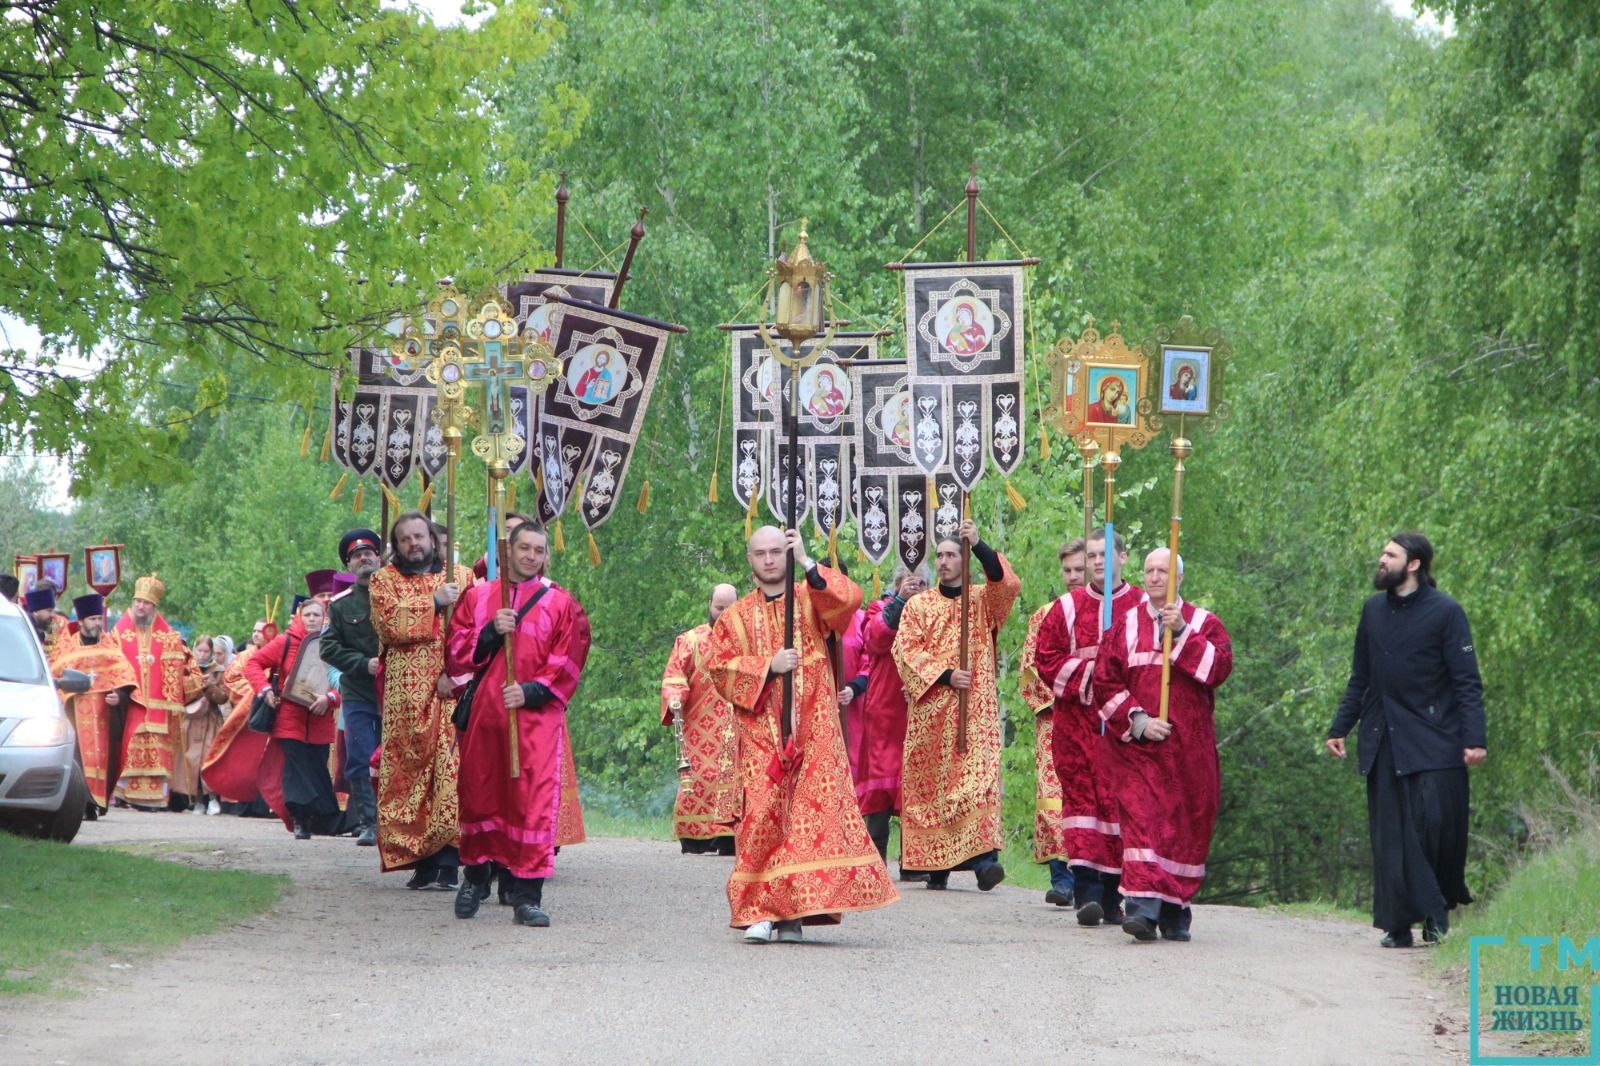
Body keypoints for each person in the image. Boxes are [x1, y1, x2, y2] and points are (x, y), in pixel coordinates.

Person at [703, 526, 898, 943]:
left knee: (807, 821)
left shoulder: (810, 598)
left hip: (814, 727)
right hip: (760, 734)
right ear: (750, 559)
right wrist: (767, 667)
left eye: (778, 551)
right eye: (762, 553)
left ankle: (792, 914)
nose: (770, 559)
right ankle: (759, 909)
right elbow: (720, 669)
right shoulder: (735, 618)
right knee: (762, 817)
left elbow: (848, 602)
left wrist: (809, 561)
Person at [1325, 532, 1486, 948]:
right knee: (1391, 836)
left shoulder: (1446, 612)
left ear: (1413, 564)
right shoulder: (1373, 610)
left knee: (1435, 830)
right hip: (1384, 737)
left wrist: (1474, 739)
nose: (1381, 560)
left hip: (1437, 739)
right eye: (1382, 552)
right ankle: (1397, 926)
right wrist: (1340, 727)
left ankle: (1436, 916)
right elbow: (1361, 676)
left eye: (1390, 554)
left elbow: (1467, 682)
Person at [446, 523, 591, 927]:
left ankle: (527, 895)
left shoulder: (562, 603)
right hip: (486, 716)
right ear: (508, 551)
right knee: (480, 793)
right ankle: (475, 878)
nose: (530, 555)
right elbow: (456, 652)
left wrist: (530, 691)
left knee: (532, 801)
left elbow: (570, 657)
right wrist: (491, 632)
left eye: (538, 550)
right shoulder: (477, 597)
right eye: (523, 548)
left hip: (536, 720)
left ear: (546, 556)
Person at [1096, 549, 1232, 942]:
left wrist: (1184, 633)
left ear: (1180, 578)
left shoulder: (1206, 623)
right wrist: (1137, 720)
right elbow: (1105, 681)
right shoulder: (1124, 625)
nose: (1155, 577)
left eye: (1164, 571)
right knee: (1141, 821)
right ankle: (1141, 908)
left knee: (1183, 827)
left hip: (1189, 753)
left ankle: (1175, 911)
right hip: (1139, 752)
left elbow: (1218, 670)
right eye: (1150, 571)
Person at [892, 519, 1021, 891]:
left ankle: (985, 862)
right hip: (932, 713)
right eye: (941, 555)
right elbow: (904, 650)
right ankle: (937, 866)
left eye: (952, 554)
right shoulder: (919, 605)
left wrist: (978, 544)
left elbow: (1006, 584)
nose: (946, 561)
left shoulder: (981, 600)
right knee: (935, 788)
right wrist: (946, 675)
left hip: (975, 712)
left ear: (963, 561)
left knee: (978, 781)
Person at [1035, 528, 1147, 926]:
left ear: (1123, 558)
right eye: (1093, 556)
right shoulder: (1067, 608)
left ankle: (1117, 897)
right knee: (1083, 805)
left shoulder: (1142, 606)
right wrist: (1094, 675)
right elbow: (1044, 659)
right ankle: (1086, 893)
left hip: (1124, 729)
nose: (1099, 562)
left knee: (1121, 807)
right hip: (1078, 728)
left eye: (1105, 554)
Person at [369, 512, 470, 890]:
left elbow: (468, 630)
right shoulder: (384, 580)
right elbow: (389, 625)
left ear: (432, 538)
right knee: (410, 772)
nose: (414, 544)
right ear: (398, 545)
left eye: (419, 536)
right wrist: (432, 601)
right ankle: (420, 858)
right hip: (404, 696)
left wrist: (455, 672)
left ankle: (449, 860)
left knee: (450, 768)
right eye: (406, 539)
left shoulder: (460, 577)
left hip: (449, 688)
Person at [1018, 538, 1087, 907]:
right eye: (1068, 570)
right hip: (1056, 719)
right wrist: (1061, 696)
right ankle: (1061, 877)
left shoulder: (1108, 612)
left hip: (1096, 719)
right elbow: (1030, 671)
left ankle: (1091, 875)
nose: (1073, 577)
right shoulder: (1044, 615)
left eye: (1080, 569)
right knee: (1053, 795)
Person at [849, 564, 929, 879]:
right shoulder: (878, 607)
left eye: (921, 583)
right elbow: (875, 640)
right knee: (882, 779)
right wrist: (899, 600)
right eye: (910, 582)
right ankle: (876, 859)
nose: (916, 587)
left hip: (920, 703)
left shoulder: (932, 612)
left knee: (915, 781)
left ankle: (913, 862)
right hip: (885, 704)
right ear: (896, 583)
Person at [246, 597, 345, 839]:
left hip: (321, 720)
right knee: (296, 769)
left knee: (317, 769)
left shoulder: (334, 643)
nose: (312, 619)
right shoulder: (285, 641)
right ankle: (300, 819)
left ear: (325, 618)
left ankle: (322, 819)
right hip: (289, 719)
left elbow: (345, 679)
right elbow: (253, 664)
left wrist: (330, 699)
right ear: (300, 616)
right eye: (308, 615)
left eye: (317, 615)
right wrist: (265, 689)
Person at [659, 583, 742, 855]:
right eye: (719, 608)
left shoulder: (747, 641)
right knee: (698, 782)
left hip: (738, 728)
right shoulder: (691, 640)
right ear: (709, 605)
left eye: (729, 608)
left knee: (735, 784)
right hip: (699, 729)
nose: (723, 614)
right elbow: (675, 675)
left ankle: (730, 840)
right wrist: (674, 696)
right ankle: (696, 840)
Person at [112, 575, 203, 810]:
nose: (141, 606)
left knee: (157, 753)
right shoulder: (118, 635)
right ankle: (123, 794)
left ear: (154, 607)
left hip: (159, 710)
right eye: (138, 601)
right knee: (129, 749)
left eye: (147, 603)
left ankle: (156, 799)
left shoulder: (170, 638)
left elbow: (190, 670)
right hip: (131, 705)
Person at [322, 528, 384, 846]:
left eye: (369, 553)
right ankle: (369, 821)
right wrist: (363, 663)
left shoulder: (394, 597)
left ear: (379, 558)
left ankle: (396, 819)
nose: (364, 559)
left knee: (395, 755)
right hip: (359, 692)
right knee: (361, 754)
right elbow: (328, 649)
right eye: (357, 556)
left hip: (396, 692)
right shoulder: (341, 605)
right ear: (349, 566)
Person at [49, 593, 136, 817]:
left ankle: (96, 801)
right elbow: (55, 677)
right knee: (78, 759)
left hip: (103, 715)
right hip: (75, 714)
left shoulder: (110, 644)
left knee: (100, 760)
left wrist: (119, 697)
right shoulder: (66, 647)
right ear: (81, 621)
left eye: (99, 618)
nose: (97, 623)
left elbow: (125, 678)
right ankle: (82, 803)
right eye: (93, 619)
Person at [177, 635, 231, 815]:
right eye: (199, 650)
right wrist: (195, 685)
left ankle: (213, 798)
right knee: (192, 761)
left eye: (206, 651)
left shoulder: (218, 670)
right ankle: (197, 800)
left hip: (210, 720)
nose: (201, 654)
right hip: (191, 720)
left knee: (209, 759)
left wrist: (209, 687)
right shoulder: (187, 670)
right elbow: (180, 695)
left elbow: (223, 697)